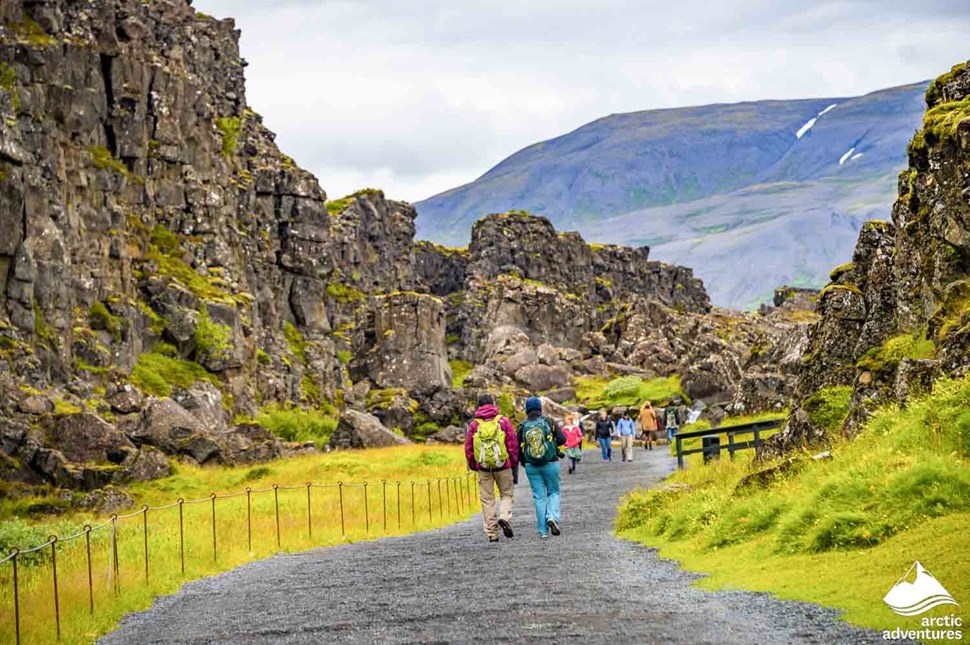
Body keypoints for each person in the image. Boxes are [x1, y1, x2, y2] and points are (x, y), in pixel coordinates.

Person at [465, 394, 519, 543]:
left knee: (487, 500)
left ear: (478, 406)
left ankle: (492, 534)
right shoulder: (503, 421)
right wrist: (513, 462)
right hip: (503, 465)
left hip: (483, 467)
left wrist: (474, 465)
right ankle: (505, 517)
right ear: (493, 404)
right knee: (507, 494)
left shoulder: (474, 425)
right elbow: (512, 443)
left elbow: (469, 447)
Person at [517, 397, 566, 538]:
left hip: (531, 466)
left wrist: (524, 463)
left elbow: (517, 448)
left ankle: (543, 531)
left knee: (539, 497)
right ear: (540, 408)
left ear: (527, 410)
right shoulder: (549, 421)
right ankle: (552, 517)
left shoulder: (522, 427)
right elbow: (562, 439)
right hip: (551, 462)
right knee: (553, 492)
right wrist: (552, 446)